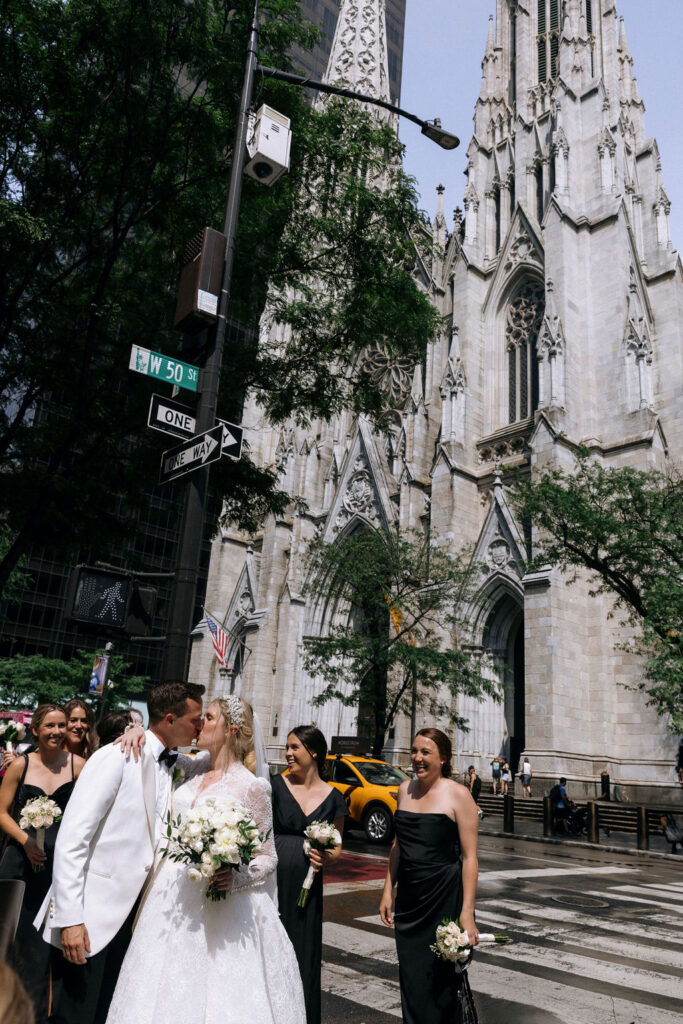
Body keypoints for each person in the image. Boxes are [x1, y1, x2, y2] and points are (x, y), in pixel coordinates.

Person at [106, 695, 306, 1024]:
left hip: (222, 904)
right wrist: (135, 730)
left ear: (232, 730)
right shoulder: (195, 766)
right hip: (171, 895)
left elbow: (267, 855)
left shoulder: (252, 787)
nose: (201, 724)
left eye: (210, 718)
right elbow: (158, 753)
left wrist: (237, 876)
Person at [36, 681, 205, 1024]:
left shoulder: (176, 764)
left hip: (139, 918)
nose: (200, 726)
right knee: (73, 1013)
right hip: (91, 915)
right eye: (196, 719)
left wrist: (138, 726)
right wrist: (69, 918)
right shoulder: (116, 756)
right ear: (170, 719)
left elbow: (221, 753)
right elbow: (73, 838)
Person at [380, 728, 480, 1024]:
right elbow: (398, 845)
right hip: (410, 900)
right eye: (414, 751)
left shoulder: (459, 795)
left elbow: (470, 857)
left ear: (444, 758)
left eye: (426, 752)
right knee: (412, 979)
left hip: (443, 898)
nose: (417, 758)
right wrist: (388, 890)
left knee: (440, 983)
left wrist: (467, 913)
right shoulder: (404, 790)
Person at [0, 704, 84, 1021]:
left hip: (55, 868)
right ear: (35, 729)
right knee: (12, 936)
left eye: (62, 725)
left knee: (42, 949)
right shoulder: (20, 765)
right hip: (19, 865)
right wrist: (25, 841)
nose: (57, 732)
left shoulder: (80, 766)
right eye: (50, 726)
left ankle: (35, 1010)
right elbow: (2, 812)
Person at [271, 726, 347, 1024]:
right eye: (287, 748)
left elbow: (338, 845)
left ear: (313, 752)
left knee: (303, 953)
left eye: (294, 748)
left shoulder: (333, 797)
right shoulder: (274, 786)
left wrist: (326, 856)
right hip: (273, 885)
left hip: (307, 889)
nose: (288, 754)